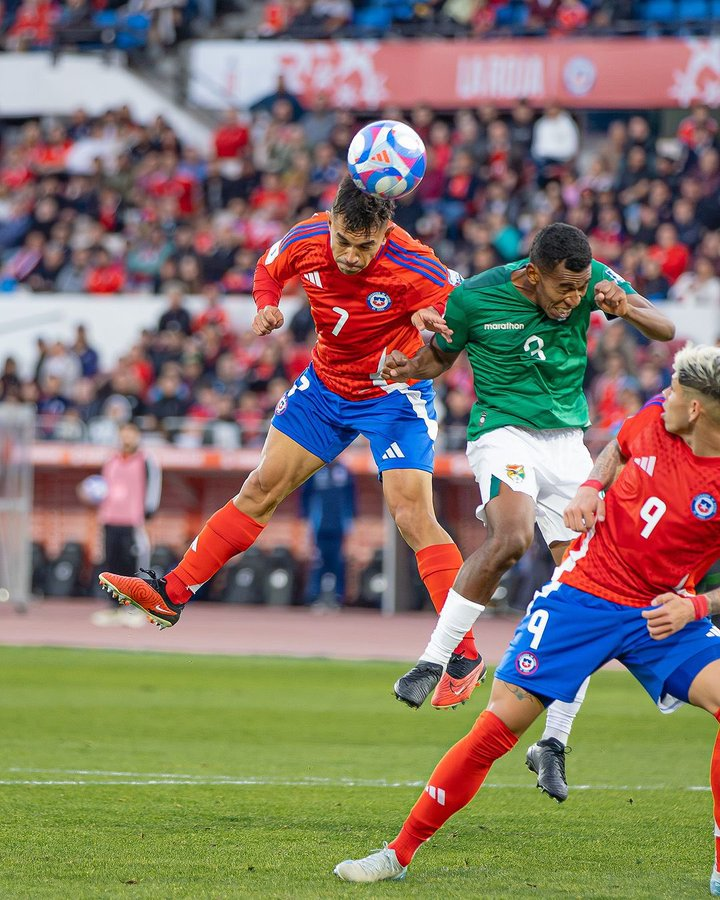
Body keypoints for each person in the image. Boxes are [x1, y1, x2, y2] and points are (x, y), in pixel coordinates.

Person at [334, 344, 720, 889]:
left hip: (664, 611)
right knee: (497, 730)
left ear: (699, 409)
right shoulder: (662, 413)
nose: (664, 397)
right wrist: (590, 486)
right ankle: (397, 854)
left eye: (677, 392)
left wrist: (697, 605)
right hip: (584, 595)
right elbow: (618, 445)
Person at [98, 176, 485, 708]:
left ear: (386, 233)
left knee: (412, 516)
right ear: (330, 222)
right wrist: (266, 303)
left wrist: (425, 335)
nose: (351, 256)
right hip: (325, 386)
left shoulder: (418, 265)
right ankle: (170, 594)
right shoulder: (305, 238)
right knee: (259, 489)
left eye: (365, 246)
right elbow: (267, 268)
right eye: (344, 241)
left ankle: (463, 654)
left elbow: (457, 327)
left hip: (393, 394)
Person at [385, 222, 674, 801]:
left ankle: (555, 742)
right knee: (511, 540)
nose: (574, 299)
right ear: (531, 274)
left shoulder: (593, 282)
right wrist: (403, 368)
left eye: (581, 288)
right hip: (504, 435)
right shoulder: (474, 297)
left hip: (569, 446)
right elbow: (437, 359)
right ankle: (435, 660)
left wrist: (626, 307)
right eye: (564, 288)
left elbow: (664, 328)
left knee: (594, 591)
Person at [90, 421, 162, 627]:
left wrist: (148, 512)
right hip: (110, 519)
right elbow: (102, 487)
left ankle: (135, 607)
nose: (127, 438)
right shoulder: (110, 459)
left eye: (131, 433)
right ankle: (114, 607)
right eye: (123, 434)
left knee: (134, 565)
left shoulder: (146, 460)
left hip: (133, 520)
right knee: (112, 564)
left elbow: (153, 486)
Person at [300, 459, 356, 607]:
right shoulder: (316, 470)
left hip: (338, 525)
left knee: (338, 561)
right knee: (318, 561)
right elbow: (305, 496)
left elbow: (351, 497)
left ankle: (338, 596)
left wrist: (351, 520)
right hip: (319, 526)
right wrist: (306, 520)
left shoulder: (344, 471)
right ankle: (315, 595)